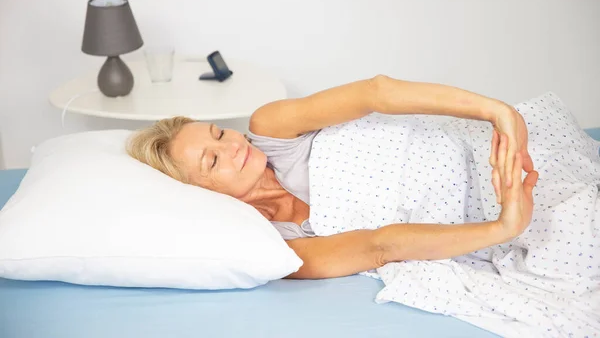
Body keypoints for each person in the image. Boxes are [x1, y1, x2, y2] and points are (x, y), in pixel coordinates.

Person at [126, 75, 539, 279]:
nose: (232, 145)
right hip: (485, 223)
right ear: (201, 194)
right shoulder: (278, 247)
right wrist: (503, 226)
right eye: (213, 161)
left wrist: (496, 112)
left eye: (218, 132)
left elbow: (374, 92)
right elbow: (380, 247)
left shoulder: (271, 128)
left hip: (482, 150)